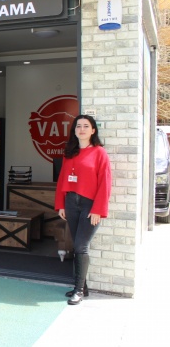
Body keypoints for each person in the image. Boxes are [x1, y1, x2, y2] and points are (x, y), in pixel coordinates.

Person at [55, 114, 112, 305]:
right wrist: (60, 204)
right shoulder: (69, 152)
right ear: (74, 130)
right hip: (71, 202)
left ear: (93, 130)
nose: (82, 129)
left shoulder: (99, 152)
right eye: (78, 126)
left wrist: (98, 209)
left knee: (81, 245)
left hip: (89, 205)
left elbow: (105, 183)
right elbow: (62, 179)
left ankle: (78, 290)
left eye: (86, 126)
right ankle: (83, 287)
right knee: (76, 245)